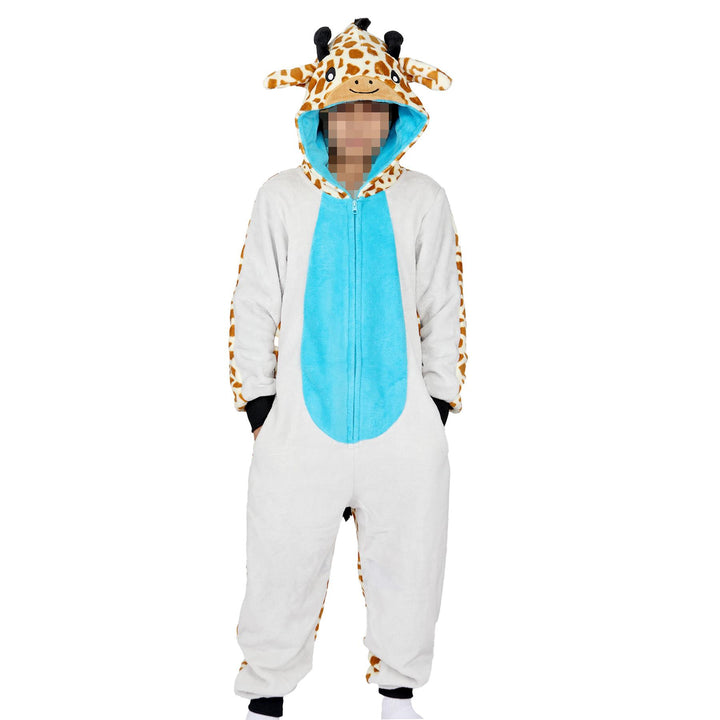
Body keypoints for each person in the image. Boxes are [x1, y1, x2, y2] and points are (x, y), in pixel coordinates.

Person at [228, 18, 467, 720]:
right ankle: (266, 691)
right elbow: (253, 300)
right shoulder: (281, 196)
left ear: (396, 116)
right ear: (321, 111)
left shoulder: (424, 199)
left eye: (375, 108)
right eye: (346, 107)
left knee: (410, 559)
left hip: (404, 430)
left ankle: (398, 694)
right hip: (299, 426)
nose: (360, 124)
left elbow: (443, 303)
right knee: (280, 558)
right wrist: (260, 403)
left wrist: (437, 404)